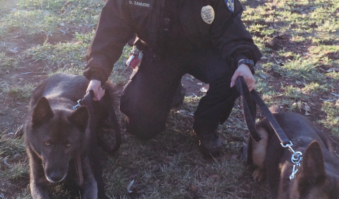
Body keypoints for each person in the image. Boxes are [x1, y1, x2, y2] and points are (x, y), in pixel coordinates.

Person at [83, 0, 262, 156]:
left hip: (204, 49)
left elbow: (230, 28)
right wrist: (97, 76)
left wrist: (243, 62)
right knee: (141, 128)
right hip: (159, 52)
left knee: (232, 74)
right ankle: (171, 89)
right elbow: (110, 33)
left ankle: (205, 126)